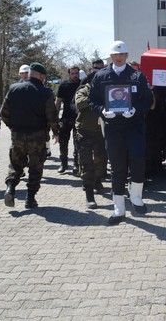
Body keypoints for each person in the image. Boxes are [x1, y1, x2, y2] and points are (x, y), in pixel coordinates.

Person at [89, 41, 154, 225]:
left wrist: (135, 110)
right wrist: (102, 110)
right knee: (117, 167)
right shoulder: (101, 76)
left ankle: (136, 196)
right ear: (110, 56)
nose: (118, 57)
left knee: (137, 159)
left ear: (126, 55)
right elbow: (92, 100)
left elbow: (147, 100)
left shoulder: (137, 75)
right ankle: (119, 207)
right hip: (113, 127)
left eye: (122, 54)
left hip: (134, 125)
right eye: (115, 55)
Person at [1, 63, 59, 209]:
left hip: (18, 135)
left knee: (15, 164)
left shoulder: (14, 89)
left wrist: (13, 127)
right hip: (37, 136)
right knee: (35, 167)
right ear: (41, 76)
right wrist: (56, 132)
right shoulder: (45, 92)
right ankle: (30, 198)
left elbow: (3, 112)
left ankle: (10, 188)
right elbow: (51, 115)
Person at [74, 79, 107, 209]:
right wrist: (93, 97)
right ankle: (89, 194)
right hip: (85, 132)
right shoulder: (83, 91)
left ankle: (97, 180)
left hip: (101, 132)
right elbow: (79, 103)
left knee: (101, 160)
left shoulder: (105, 91)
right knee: (86, 163)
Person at [55, 65, 81, 173]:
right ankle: (63, 164)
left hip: (78, 119)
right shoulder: (63, 85)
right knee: (63, 142)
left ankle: (76, 164)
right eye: (73, 73)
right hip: (65, 118)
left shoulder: (82, 85)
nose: (75, 75)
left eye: (76, 73)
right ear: (69, 74)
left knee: (77, 143)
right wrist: (55, 117)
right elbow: (58, 101)